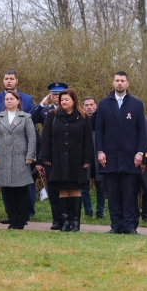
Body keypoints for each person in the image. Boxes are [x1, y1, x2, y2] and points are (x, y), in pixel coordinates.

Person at [96, 72, 147, 235]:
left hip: (130, 157)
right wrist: (100, 151)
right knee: (112, 193)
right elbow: (99, 130)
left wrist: (140, 152)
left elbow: (141, 130)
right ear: (113, 83)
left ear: (128, 84)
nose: (119, 83)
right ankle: (116, 225)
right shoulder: (104, 104)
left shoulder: (137, 104)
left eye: (122, 81)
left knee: (129, 192)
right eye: (117, 80)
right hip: (109, 157)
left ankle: (129, 225)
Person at [41, 89, 94, 232]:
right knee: (62, 189)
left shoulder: (83, 117)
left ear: (74, 101)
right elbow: (45, 137)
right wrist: (45, 157)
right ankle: (65, 221)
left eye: (66, 99)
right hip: (57, 158)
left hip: (77, 159)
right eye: (62, 99)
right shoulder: (52, 116)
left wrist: (88, 159)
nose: (63, 102)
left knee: (75, 189)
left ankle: (75, 222)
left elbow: (88, 140)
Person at [0, 91, 37, 230]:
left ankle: (21, 220)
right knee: (8, 190)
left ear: (17, 101)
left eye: (11, 99)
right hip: (2, 158)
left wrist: (30, 156)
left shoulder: (25, 117)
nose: (8, 101)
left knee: (21, 190)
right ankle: (12, 218)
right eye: (6, 99)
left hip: (20, 158)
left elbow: (32, 137)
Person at [30, 81, 68, 230]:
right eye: (54, 95)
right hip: (50, 157)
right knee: (53, 190)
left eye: (60, 95)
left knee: (67, 188)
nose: (57, 98)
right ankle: (57, 219)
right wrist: (41, 104)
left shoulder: (72, 110)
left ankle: (68, 218)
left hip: (67, 156)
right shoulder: (45, 111)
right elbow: (30, 120)